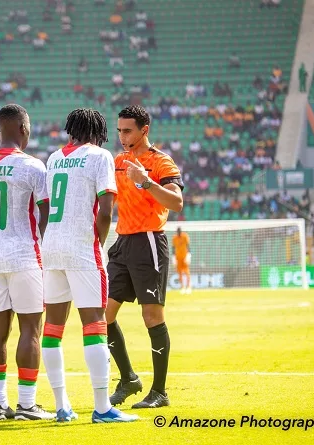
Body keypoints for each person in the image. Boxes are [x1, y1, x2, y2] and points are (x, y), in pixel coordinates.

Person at [41, 108, 138, 423]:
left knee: (52, 329)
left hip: (51, 247)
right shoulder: (99, 156)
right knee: (95, 324)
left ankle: (61, 407)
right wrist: (96, 241)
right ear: (99, 132)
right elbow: (106, 208)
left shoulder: (54, 158)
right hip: (81, 247)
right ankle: (102, 407)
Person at [0, 104, 53, 421]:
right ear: (24, 128)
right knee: (31, 329)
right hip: (25, 256)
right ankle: (26, 404)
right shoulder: (33, 166)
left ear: (0, 129)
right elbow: (46, 216)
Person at [106, 105, 184, 409]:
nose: (123, 137)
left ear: (144, 130)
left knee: (151, 316)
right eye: (120, 131)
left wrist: (147, 182)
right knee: (104, 317)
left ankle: (160, 392)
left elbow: (176, 202)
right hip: (122, 243)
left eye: (128, 131)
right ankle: (128, 379)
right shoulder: (118, 161)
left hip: (149, 242)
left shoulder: (160, 162)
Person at [172, 227, 191, 294]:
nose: (179, 233)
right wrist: (173, 257)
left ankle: (188, 287)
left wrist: (188, 255)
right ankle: (182, 287)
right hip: (178, 257)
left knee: (186, 272)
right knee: (179, 272)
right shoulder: (174, 238)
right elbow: (173, 248)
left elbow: (188, 246)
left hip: (184, 256)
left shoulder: (185, 236)